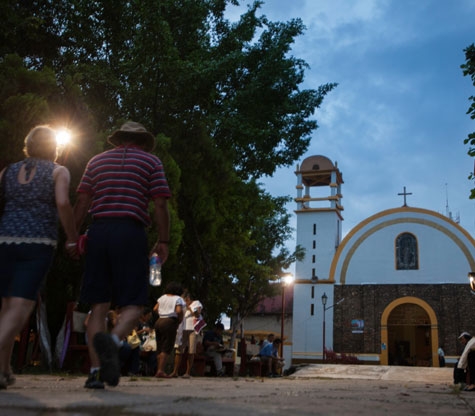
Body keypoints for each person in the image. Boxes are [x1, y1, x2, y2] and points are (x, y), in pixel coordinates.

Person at [73, 121, 171, 389]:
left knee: (98, 308)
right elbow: (160, 204)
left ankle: (95, 372)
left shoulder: (95, 162)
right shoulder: (151, 163)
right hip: (130, 232)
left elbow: (82, 201)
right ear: (142, 142)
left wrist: (72, 238)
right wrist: (163, 240)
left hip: (98, 232)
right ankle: (113, 342)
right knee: (133, 305)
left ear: (117, 140)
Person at [0, 125, 78, 389]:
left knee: (6, 306)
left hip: (5, 241)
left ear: (28, 145)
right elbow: (63, 203)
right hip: (38, 242)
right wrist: (72, 237)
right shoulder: (58, 171)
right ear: (54, 148)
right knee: (22, 305)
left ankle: (3, 370)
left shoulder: (7, 172)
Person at [153, 281, 185, 378]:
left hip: (159, 321)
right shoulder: (178, 299)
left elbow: (155, 309)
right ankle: (160, 370)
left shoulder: (162, 297)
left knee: (160, 346)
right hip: (170, 321)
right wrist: (180, 319)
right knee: (166, 346)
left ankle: (158, 369)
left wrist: (162, 313)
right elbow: (179, 310)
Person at [169, 291, 204, 378]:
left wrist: (189, 308)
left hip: (192, 329)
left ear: (187, 299)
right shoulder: (182, 306)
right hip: (182, 329)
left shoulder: (196, 303)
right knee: (179, 350)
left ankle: (187, 372)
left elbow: (197, 314)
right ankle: (175, 371)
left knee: (191, 351)